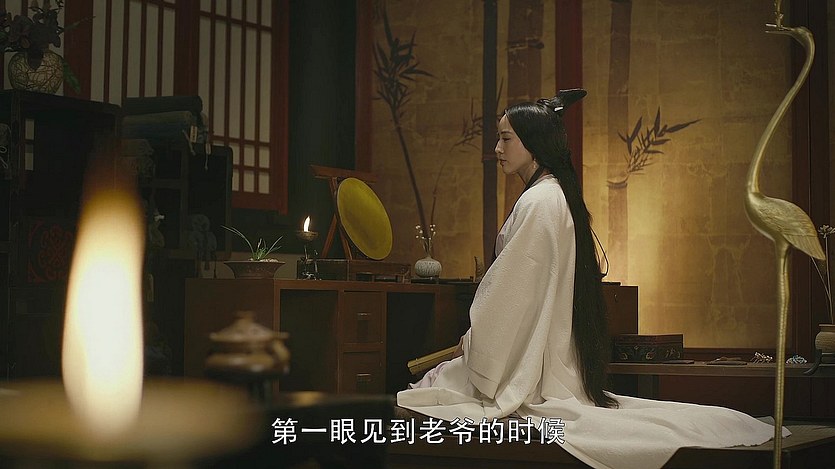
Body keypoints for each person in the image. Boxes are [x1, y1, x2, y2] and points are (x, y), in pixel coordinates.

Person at [397, 89, 783, 469]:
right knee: (432, 388)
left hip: (529, 357)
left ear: (533, 142)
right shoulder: (551, 195)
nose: (497, 149)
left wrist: (475, 340)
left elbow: (513, 294)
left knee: (428, 394)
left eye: (506, 139)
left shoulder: (540, 201)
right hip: (538, 346)